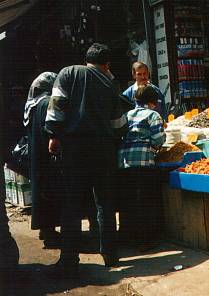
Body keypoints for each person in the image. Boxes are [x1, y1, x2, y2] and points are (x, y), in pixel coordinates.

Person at [45, 43, 127, 276]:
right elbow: (119, 124)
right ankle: (110, 255)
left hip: (74, 150)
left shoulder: (68, 72)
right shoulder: (109, 82)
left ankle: (69, 259)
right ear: (107, 64)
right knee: (104, 203)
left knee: (71, 204)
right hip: (103, 150)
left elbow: (56, 106)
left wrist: (53, 134)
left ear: (86, 59)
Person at [118, 85, 166, 251]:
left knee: (128, 201)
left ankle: (127, 237)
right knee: (144, 202)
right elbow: (159, 139)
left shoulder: (127, 114)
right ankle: (144, 241)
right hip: (144, 163)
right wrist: (155, 147)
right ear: (152, 102)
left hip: (124, 163)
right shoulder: (153, 115)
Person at [23, 72, 61, 247]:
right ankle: (50, 234)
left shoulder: (31, 105)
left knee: (42, 193)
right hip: (47, 156)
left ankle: (45, 230)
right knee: (50, 193)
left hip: (37, 157)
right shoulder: (46, 103)